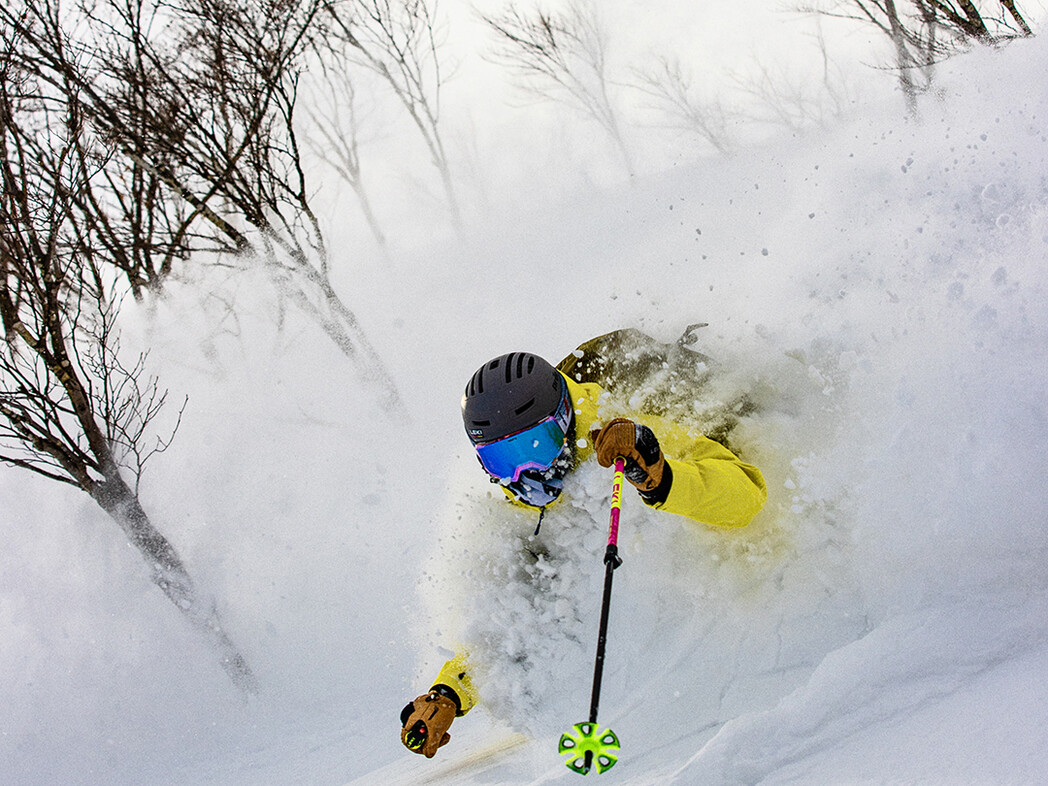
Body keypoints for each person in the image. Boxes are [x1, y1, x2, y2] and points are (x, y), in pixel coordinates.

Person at [399, 331, 767, 758]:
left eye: (533, 448)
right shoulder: (520, 508)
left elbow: (748, 499)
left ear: (562, 423)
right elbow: (520, 620)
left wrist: (660, 475)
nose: (523, 474)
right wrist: (449, 693)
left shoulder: (617, 436)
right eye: (500, 461)